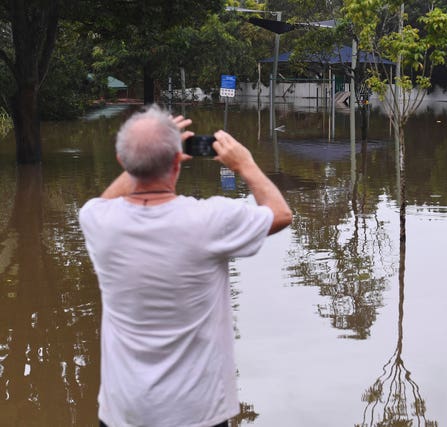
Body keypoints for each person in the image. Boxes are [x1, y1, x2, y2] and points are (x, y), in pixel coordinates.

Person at [79, 105, 292, 427]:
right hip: (196, 413)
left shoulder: (97, 220)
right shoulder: (210, 221)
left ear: (123, 162)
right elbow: (280, 213)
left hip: (123, 412)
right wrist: (245, 164)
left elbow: (107, 201)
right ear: (177, 162)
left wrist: (147, 153)